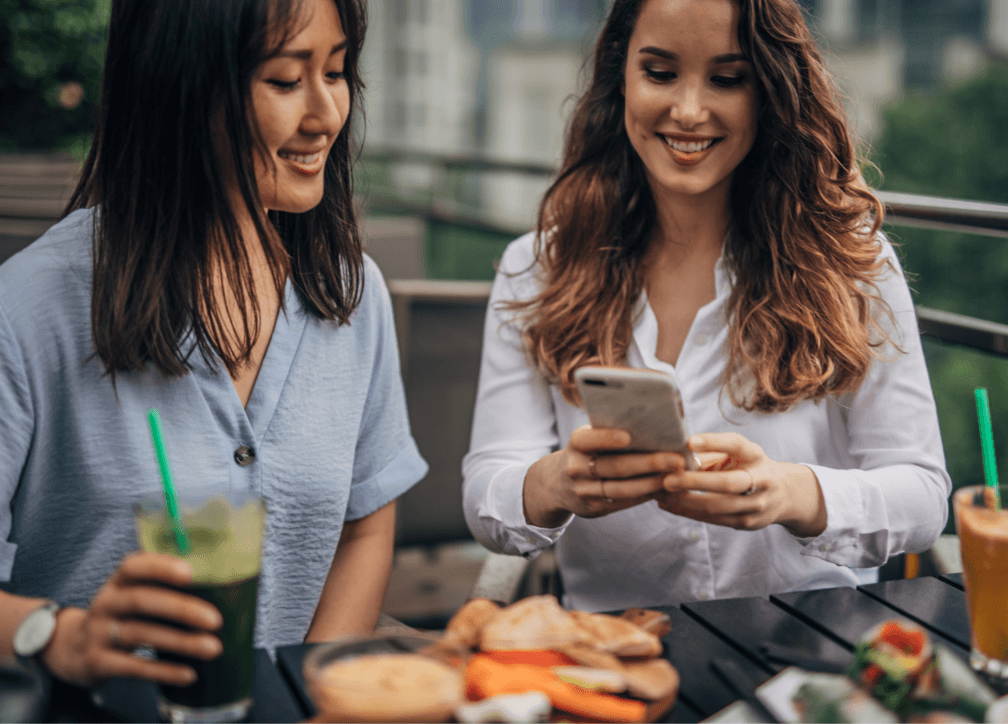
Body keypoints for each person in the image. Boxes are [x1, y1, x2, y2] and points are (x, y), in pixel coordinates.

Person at [462, 0, 950, 612]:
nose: (688, 111)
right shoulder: (536, 268)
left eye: (727, 78)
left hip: (805, 659)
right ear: (621, 80)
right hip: (616, 660)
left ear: (770, 91)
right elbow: (486, 493)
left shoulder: (853, 262)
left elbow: (924, 496)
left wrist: (790, 495)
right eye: (660, 73)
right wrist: (555, 482)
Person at [0, 0, 426, 689]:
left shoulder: (352, 292)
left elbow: (364, 529)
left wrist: (309, 694)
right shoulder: (26, 311)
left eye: (339, 72)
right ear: (181, 84)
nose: (326, 115)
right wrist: (61, 637)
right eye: (286, 81)